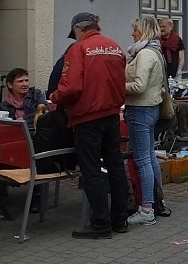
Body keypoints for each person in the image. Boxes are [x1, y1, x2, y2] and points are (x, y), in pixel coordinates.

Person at [51, 13, 129, 239]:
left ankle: (100, 223)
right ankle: (120, 219)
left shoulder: (79, 49)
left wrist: (55, 97)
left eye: (74, 34)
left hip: (87, 117)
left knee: (91, 169)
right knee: (115, 166)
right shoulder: (115, 47)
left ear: (78, 29)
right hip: (112, 114)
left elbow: (72, 87)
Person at [125, 16, 167, 227]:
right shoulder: (156, 51)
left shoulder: (144, 54)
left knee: (142, 160)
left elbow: (139, 86)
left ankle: (147, 209)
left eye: (135, 30)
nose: (132, 34)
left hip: (140, 109)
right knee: (149, 157)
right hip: (151, 108)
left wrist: (118, 85)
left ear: (143, 31)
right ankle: (157, 202)